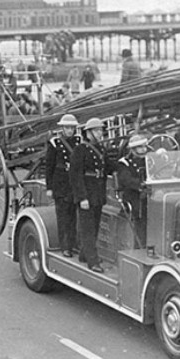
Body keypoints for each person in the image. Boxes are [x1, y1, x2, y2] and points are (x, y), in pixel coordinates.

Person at [70, 117, 112, 273]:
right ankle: (92, 261)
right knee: (87, 229)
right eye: (97, 130)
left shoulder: (101, 149)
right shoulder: (80, 150)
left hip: (98, 194)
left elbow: (108, 167)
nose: (100, 133)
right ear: (88, 132)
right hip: (86, 194)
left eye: (101, 130)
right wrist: (82, 198)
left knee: (94, 227)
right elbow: (75, 176)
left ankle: (84, 254)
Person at [46, 114, 81, 257]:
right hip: (60, 183)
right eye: (67, 128)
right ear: (62, 128)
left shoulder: (78, 141)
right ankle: (65, 246)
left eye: (72, 128)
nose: (70, 130)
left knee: (73, 215)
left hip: (73, 183)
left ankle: (72, 244)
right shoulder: (55, 143)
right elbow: (49, 166)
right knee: (63, 216)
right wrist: (49, 188)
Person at [116, 134, 148, 248]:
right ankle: (138, 247)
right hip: (133, 197)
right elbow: (126, 180)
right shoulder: (124, 163)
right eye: (140, 147)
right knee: (139, 213)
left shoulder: (149, 160)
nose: (144, 149)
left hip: (149, 195)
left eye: (144, 146)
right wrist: (142, 185)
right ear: (133, 149)